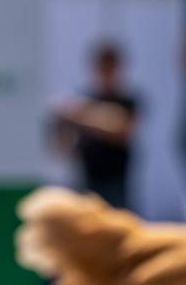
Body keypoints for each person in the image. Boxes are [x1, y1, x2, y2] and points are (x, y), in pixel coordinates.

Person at [56, 42, 139, 209]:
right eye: (102, 67)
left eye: (110, 67)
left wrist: (81, 116)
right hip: (87, 176)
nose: (106, 72)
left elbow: (123, 130)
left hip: (115, 178)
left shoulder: (127, 101)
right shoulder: (84, 100)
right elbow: (63, 144)